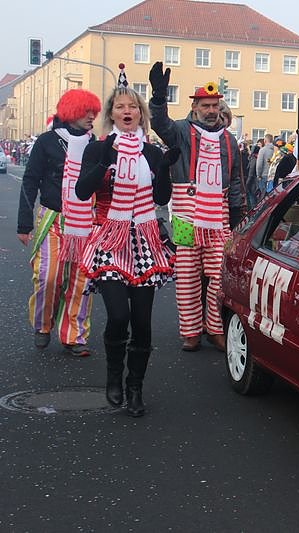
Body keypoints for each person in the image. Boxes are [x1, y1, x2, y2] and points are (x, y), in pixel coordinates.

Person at [76, 76, 175, 416]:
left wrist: (164, 169)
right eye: (121, 106)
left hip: (145, 241)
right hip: (110, 240)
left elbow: (161, 197)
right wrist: (103, 160)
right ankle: (114, 378)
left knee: (143, 324)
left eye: (133, 106)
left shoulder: (151, 151)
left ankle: (135, 388)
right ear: (112, 114)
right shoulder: (98, 147)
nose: (127, 110)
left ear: (141, 113)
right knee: (119, 317)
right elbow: (81, 191)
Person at [148, 62, 242, 352]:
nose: (211, 110)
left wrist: (238, 216)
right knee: (187, 274)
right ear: (195, 107)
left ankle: (213, 327)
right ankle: (189, 330)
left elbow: (236, 181)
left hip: (218, 217)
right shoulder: (180, 131)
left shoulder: (230, 140)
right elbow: (159, 124)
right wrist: (159, 98)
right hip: (186, 216)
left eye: (215, 105)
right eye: (206, 105)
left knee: (219, 275)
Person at [17, 89, 101, 356]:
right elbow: (30, 181)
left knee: (81, 281)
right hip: (53, 218)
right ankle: (43, 325)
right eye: (87, 111)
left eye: (94, 112)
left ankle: (74, 336)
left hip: (86, 221)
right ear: (72, 112)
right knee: (48, 277)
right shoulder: (47, 142)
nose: (92, 117)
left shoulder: (94, 144)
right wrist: (24, 224)